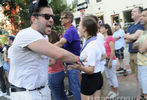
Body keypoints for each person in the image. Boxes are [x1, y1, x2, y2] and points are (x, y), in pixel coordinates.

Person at [8, 0, 84, 100]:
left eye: (52, 17)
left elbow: (51, 58)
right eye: (47, 16)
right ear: (34, 19)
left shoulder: (44, 37)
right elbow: (58, 54)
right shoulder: (27, 34)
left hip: (42, 91)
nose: (51, 20)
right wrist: (79, 58)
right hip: (25, 94)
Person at [70, 16, 103, 100]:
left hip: (90, 79)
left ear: (84, 28)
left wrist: (79, 67)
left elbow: (91, 70)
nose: (78, 27)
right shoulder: (94, 41)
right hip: (97, 77)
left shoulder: (91, 45)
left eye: (79, 25)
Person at [55, 11, 81, 100]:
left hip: (73, 64)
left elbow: (61, 43)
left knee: (75, 89)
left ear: (68, 20)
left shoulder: (70, 30)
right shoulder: (70, 30)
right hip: (72, 63)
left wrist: (46, 48)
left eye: (62, 18)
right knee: (75, 88)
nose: (60, 19)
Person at [100, 24, 119, 98]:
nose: (100, 29)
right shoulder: (102, 39)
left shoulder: (110, 38)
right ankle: (112, 90)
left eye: (102, 28)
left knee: (112, 76)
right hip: (105, 60)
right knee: (108, 76)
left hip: (111, 59)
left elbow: (112, 50)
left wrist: (110, 61)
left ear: (106, 29)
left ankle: (116, 91)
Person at [124, 7, 144, 76]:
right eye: (132, 11)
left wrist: (130, 36)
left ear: (140, 14)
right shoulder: (130, 26)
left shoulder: (141, 25)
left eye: (134, 11)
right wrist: (132, 37)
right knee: (135, 76)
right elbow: (126, 40)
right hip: (131, 53)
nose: (132, 12)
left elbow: (134, 37)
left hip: (138, 54)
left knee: (141, 76)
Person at [48, 31, 67, 100]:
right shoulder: (58, 47)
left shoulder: (51, 48)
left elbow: (52, 62)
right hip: (60, 71)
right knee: (62, 94)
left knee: (57, 96)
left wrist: (43, 64)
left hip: (53, 73)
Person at [133, 8, 147, 99]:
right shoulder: (143, 32)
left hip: (146, 67)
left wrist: (138, 44)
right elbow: (133, 46)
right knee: (144, 92)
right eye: (141, 15)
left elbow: (141, 49)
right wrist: (138, 45)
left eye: (144, 16)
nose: (141, 17)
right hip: (141, 65)